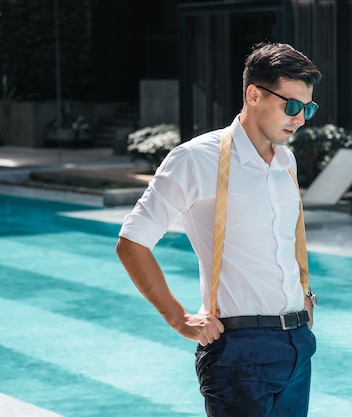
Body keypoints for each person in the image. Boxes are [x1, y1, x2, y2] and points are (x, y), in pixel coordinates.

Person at [115, 42, 322, 416]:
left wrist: (303, 296)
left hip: (297, 346)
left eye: (308, 108)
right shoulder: (196, 158)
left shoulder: (286, 159)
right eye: (291, 105)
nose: (300, 118)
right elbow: (132, 242)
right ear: (254, 94)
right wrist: (178, 317)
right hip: (239, 351)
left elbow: (283, 241)